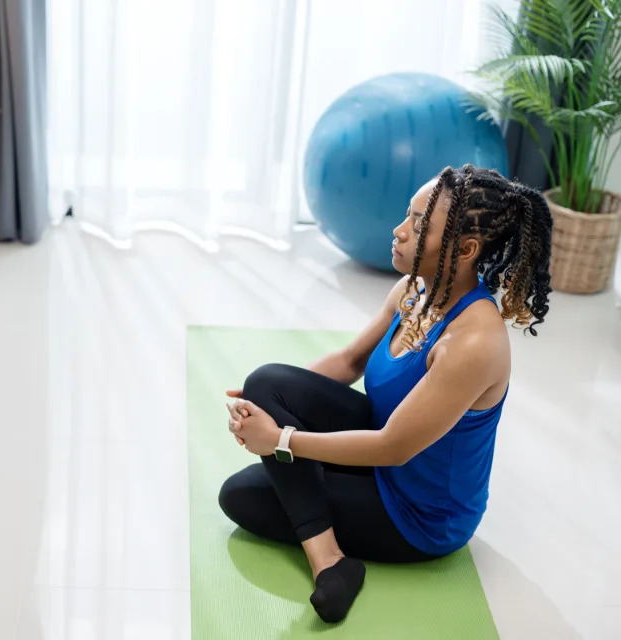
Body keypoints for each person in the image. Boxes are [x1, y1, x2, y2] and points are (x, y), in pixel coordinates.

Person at [218, 165, 552, 623]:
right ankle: (331, 555)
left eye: (418, 226)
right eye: (406, 216)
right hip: (379, 443)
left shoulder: (474, 342)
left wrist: (279, 440)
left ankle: (331, 564)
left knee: (240, 495)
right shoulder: (414, 289)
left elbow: (393, 448)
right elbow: (351, 361)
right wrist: (266, 402)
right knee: (267, 380)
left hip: (420, 514)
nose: (398, 232)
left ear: (467, 249)